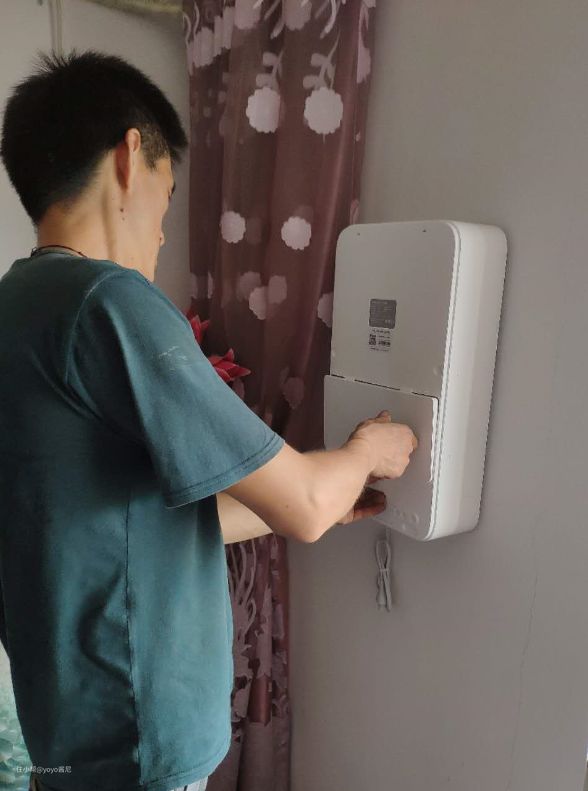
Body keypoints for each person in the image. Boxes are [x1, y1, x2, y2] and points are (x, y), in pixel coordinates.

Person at [0, 51, 418, 791]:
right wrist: (370, 450)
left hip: (67, 732)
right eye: (167, 198)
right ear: (129, 157)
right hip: (138, 740)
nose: (163, 235)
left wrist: (312, 495)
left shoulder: (18, 308)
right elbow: (306, 506)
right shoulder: (110, 303)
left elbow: (121, 526)